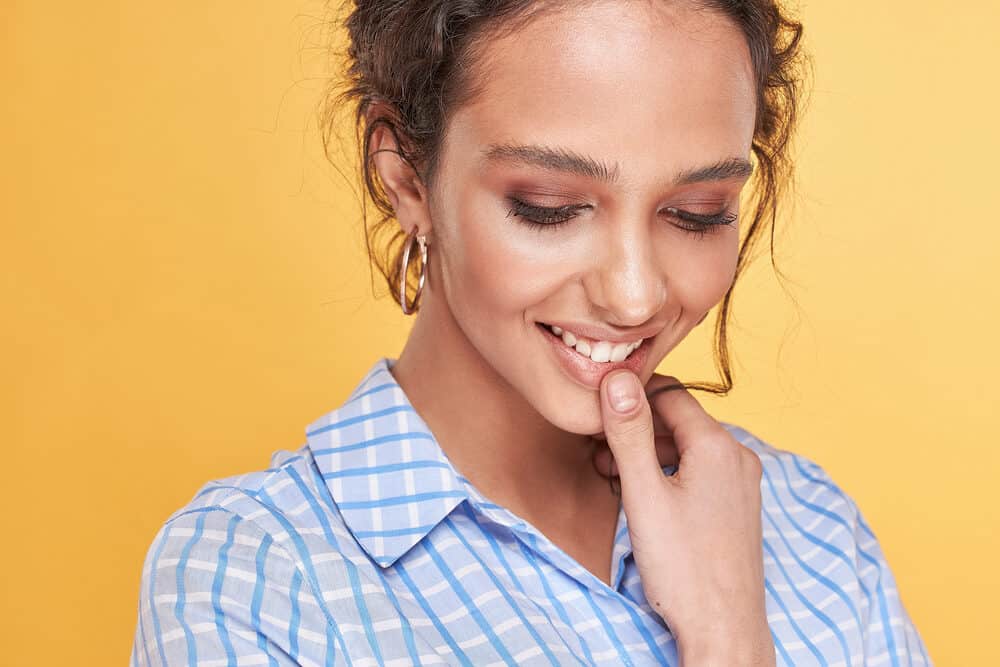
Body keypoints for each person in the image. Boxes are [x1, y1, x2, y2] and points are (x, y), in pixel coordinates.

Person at [129, 0, 932, 665]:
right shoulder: (252, 579)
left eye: (696, 215)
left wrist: (730, 625)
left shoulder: (810, 527)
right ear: (406, 177)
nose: (633, 292)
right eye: (548, 206)